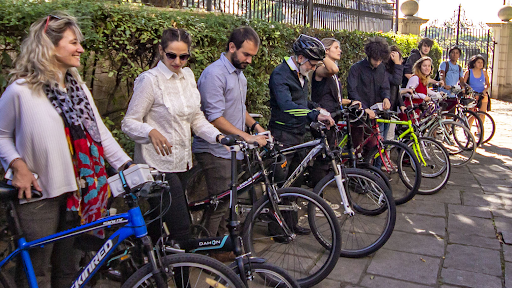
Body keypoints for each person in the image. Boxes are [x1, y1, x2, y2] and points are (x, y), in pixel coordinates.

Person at [0, 13, 133, 288]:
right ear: (49, 46)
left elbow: (100, 134)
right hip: (39, 195)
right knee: (36, 270)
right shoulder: (21, 90)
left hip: (78, 192)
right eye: (73, 42)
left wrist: (128, 167)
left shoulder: (78, 89)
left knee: (68, 268)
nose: (80, 49)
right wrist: (18, 166)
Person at [122, 28, 224, 247]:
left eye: (183, 56)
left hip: (182, 163)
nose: (178, 61)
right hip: (156, 167)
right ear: (161, 51)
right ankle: (182, 279)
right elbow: (128, 123)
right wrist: (150, 131)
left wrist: (218, 137)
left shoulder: (188, 76)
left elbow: (196, 118)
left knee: (158, 225)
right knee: (182, 230)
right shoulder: (150, 81)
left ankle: (147, 269)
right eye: (171, 55)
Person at [192, 27, 267, 258]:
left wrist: (255, 126)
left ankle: (221, 245)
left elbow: (239, 108)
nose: (249, 60)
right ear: (232, 47)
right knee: (219, 203)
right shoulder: (214, 74)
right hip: (214, 149)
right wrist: (245, 136)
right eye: (246, 54)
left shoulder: (239, 74)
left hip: (232, 150)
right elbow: (214, 117)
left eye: (253, 56)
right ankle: (205, 252)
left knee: (227, 200)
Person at [267, 34, 334, 239]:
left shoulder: (302, 73)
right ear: (300, 57)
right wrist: (313, 114)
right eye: (312, 64)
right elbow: (287, 107)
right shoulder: (280, 74)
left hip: (298, 134)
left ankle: (292, 223)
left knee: (295, 182)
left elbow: (302, 103)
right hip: (282, 134)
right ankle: (277, 229)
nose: (314, 68)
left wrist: (316, 107)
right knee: (281, 182)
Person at [309, 37, 360, 184]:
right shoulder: (320, 69)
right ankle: (318, 197)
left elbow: (334, 97)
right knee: (324, 158)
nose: (340, 50)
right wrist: (321, 54)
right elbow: (333, 69)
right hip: (323, 118)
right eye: (336, 47)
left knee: (330, 153)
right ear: (326, 50)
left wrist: (350, 102)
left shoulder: (331, 73)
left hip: (333, 117)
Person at [347, 36, 391, 150]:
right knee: (357, 147)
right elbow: (352, 91)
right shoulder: (356, 68)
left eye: (381, 60)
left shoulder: (381, 68)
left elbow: (384, 86)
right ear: (369, 56)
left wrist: (386, 98)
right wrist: (364, 108)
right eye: (376, 59)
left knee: (374, 146)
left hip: (374, 114)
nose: (378, 62)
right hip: (359, 115)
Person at [384, 45, 408, 140]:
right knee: (385, 137)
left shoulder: (393, 71)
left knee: (390, 136)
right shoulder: (386, 72)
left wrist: (401, 104)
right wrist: (397, 64)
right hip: (385, 108)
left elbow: (396, 89)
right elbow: (397, 81)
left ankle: (387, 154)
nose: (401, 62)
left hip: (392, 108)